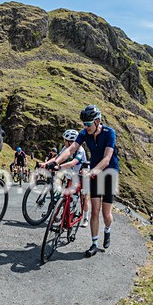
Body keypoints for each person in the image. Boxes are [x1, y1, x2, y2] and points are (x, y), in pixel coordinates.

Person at [46, 105, 118, 257]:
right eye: (84, 124)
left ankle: (107, 229)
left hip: (109, 172)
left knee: (106, 214)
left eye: (88, 124)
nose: (85, 127)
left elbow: (106, 159)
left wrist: (91, 171)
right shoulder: (84, 133)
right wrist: (56, 162)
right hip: (94, 174)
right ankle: (94, 243)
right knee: (94, 211)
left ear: (97, 121)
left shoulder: (109, 132)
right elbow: (71, 149)